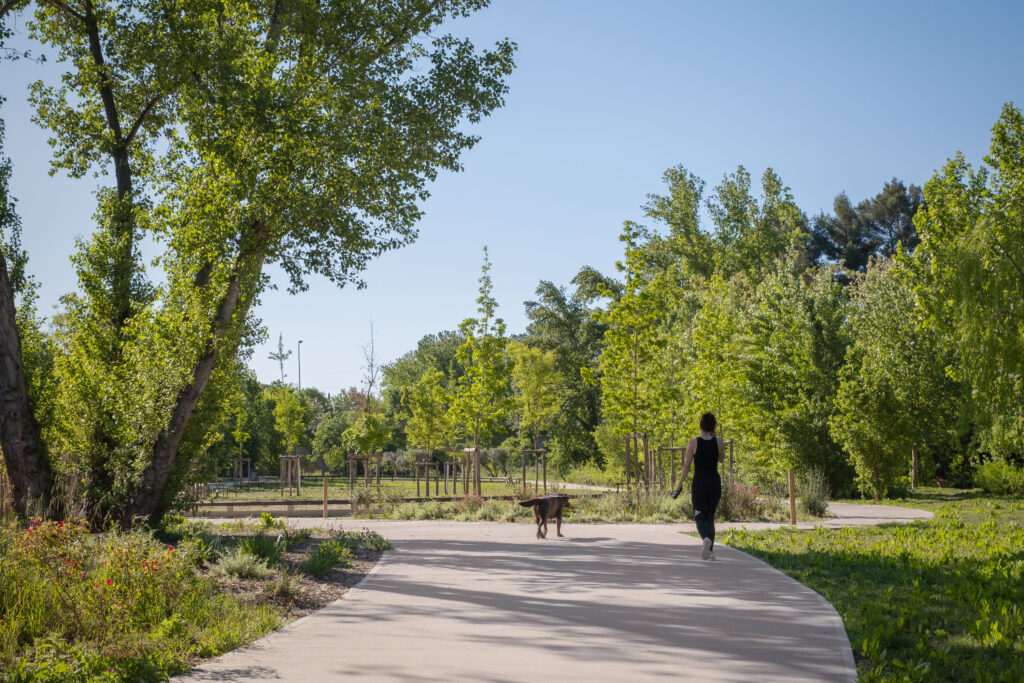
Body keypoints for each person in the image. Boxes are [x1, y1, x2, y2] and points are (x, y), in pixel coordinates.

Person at [672, 412, 725, 560]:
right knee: (710, 517)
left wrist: (679, 485)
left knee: (699, 516)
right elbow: (721, 459)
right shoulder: (719, 441)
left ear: (700, 425)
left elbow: (687, 466)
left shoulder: (693, 443)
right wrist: (715, 439)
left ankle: (705, 539)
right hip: (714, 481)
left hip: (700, 482)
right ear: (713, 426)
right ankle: (711, 551)